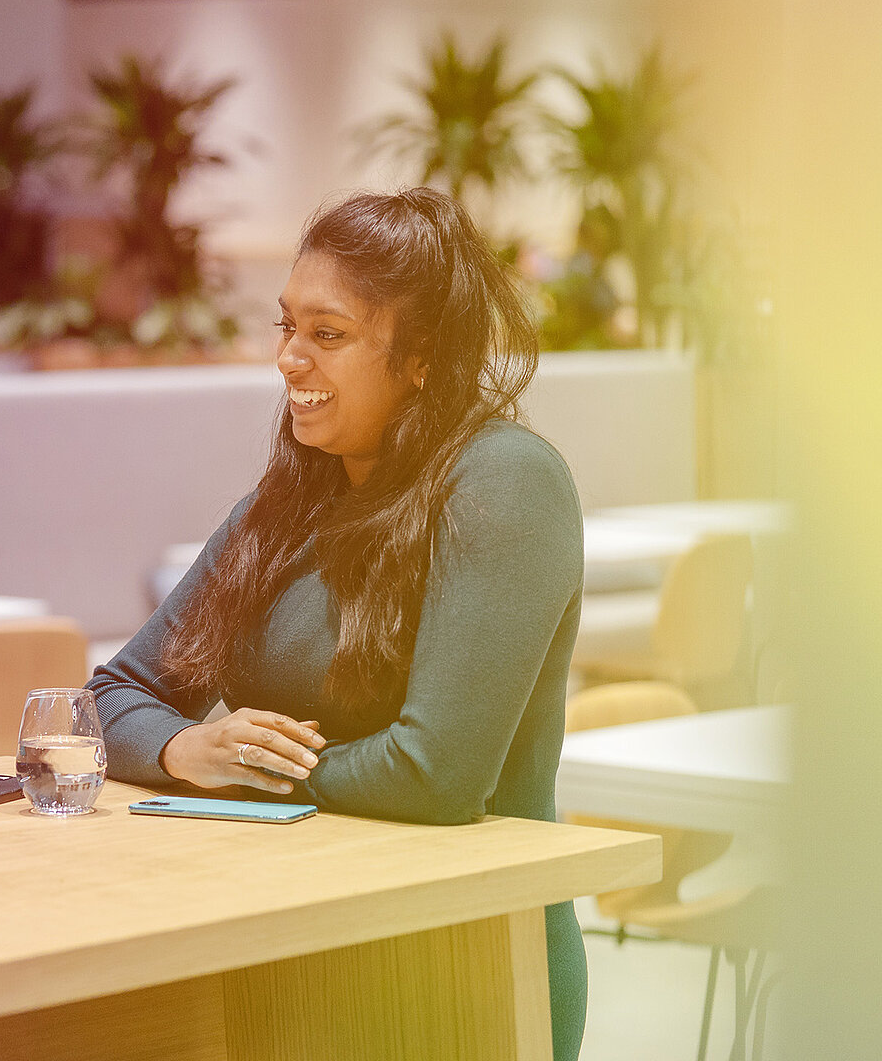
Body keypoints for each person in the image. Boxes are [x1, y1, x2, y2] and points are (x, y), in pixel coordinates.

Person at [89, 188, 588, 1059]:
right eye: (286, 328)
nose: (288, 359)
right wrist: (182, 751)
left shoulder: (505, 481)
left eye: (327, 335)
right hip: (286, 945)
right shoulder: (283, 508)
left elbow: (437, 775)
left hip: (459, 956)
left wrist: (242, 775)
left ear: (422, 359)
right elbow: (114, 694)